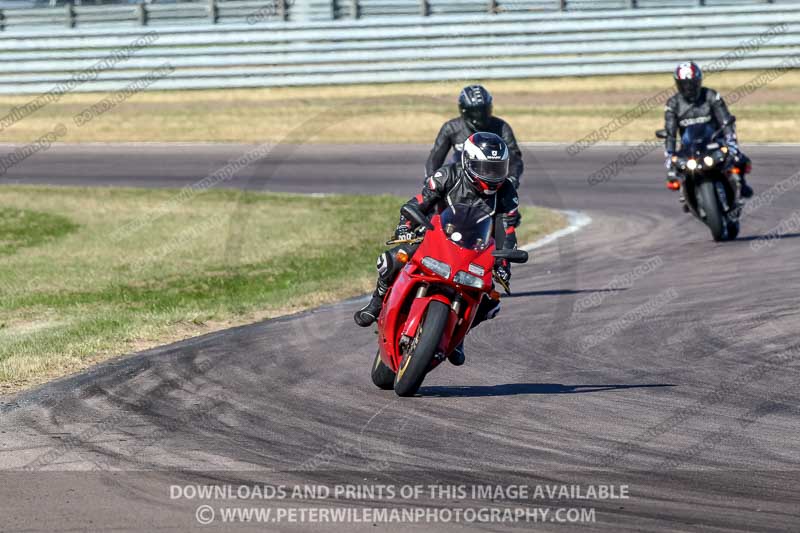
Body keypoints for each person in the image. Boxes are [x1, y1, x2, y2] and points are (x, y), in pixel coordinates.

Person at [355, 132, 521, 366]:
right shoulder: (448, 174)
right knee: (392, 259)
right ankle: (375, 303)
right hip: (434, 235)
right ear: (468, 162)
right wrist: (406, 225)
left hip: (476, 247)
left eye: (497, 168)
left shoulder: (507, 192)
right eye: (485, 168)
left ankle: (457, 335)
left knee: (491, 301)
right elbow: (419, 202)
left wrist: (503, 264)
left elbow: (507, 230)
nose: (492, 176)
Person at [664, 61, 753, 204]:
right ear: (678, 84)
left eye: (691, 83)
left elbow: (725, 119)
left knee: (739, 159)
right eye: (684, 84)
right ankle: (685, 191)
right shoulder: (673, 103)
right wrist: (669, 153)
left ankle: (740, 183)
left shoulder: (711, 95)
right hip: (689, 146)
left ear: (698, 81)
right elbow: (670, 130)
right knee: (674, 171)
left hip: (714, 140)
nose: (688, 88)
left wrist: (731, 141)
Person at [427, 85, 524, 192]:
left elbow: (515, 157)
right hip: (459, 183)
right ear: (464, 111)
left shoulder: (501, 127)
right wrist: (430, 178)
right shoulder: (451, 128)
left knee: (510, 206)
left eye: (484, 110)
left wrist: (513, 178)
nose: (481, 115)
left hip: (493, 183)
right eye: (476, 111)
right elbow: (435, 157)